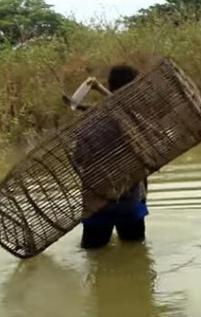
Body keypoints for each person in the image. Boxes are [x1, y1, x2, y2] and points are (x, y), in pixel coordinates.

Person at [64, 64, 149, 249]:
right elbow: (152, 153)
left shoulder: (89, 121)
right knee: (136, 253)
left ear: (110, 87)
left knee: (93, 255)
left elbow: (78, 159)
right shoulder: (138, 122)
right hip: (129, 202)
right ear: (132, 89)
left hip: (97, 203)